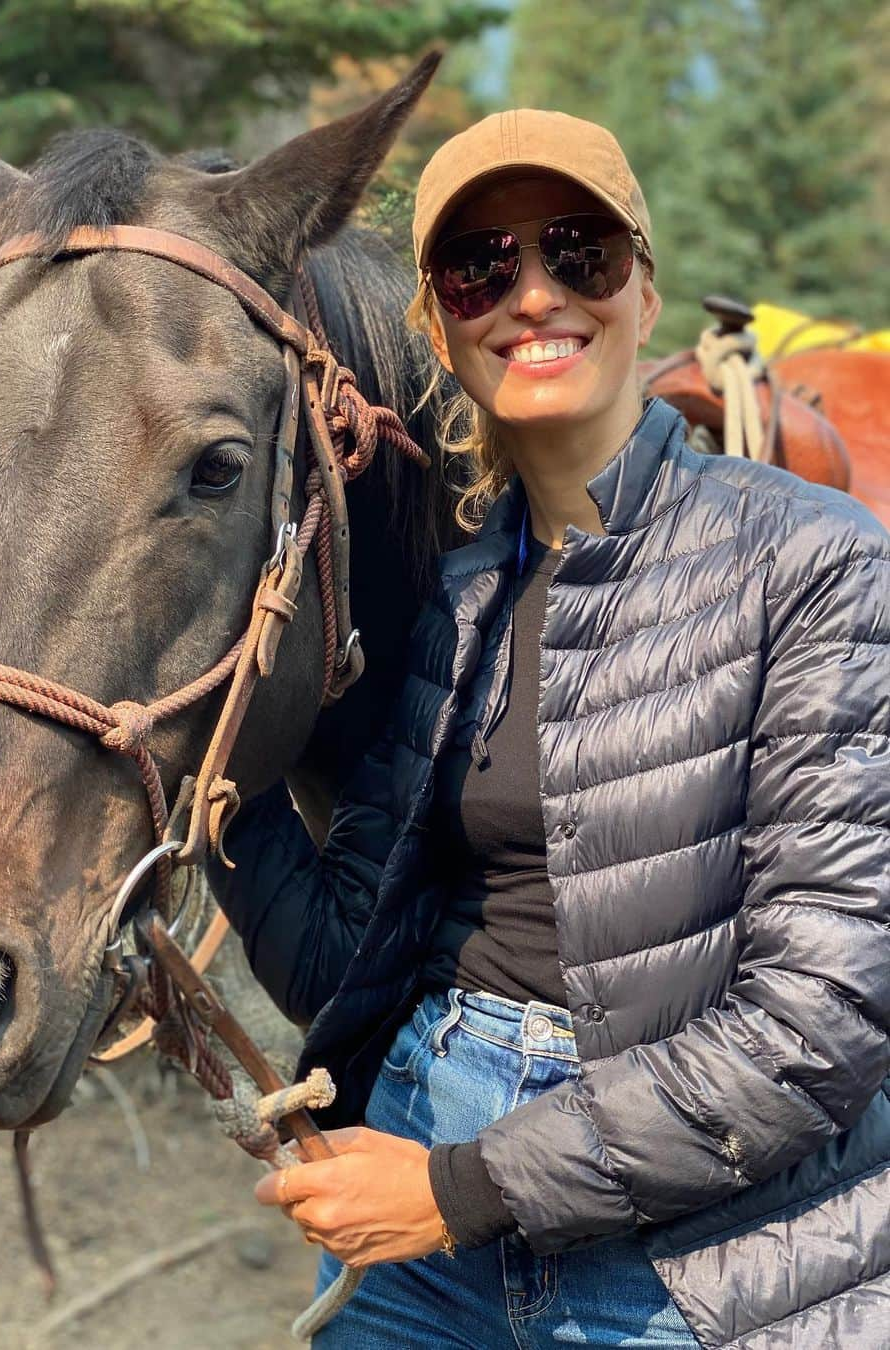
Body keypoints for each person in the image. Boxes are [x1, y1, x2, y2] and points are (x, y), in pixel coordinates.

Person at [206, 109, 890, 1347]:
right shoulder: (458, 599)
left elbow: (823, 1020)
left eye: (577, 251)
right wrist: (214, 784)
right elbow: (344, 965)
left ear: (644, 283)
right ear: (439, 323)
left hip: (717, 1251)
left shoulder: (816, 562)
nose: (529, 296)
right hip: (428, 1152)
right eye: (479, 266)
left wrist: (454, 1192)